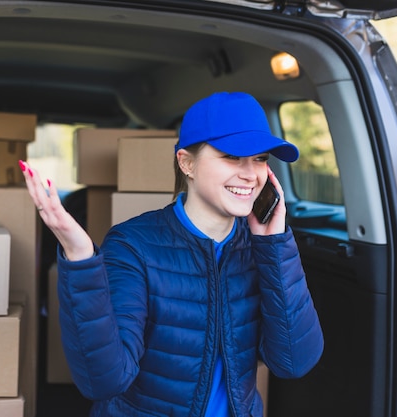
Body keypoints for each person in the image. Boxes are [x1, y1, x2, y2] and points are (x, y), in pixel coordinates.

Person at [20, 91, 324, 417]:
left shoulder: (261, 248)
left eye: (260, 158)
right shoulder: (132, 245)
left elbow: (294, 362)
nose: (251, 174)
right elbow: (104, 381)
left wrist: (275, 248)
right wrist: (80, 256)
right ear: (186, 163)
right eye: (232, 156)